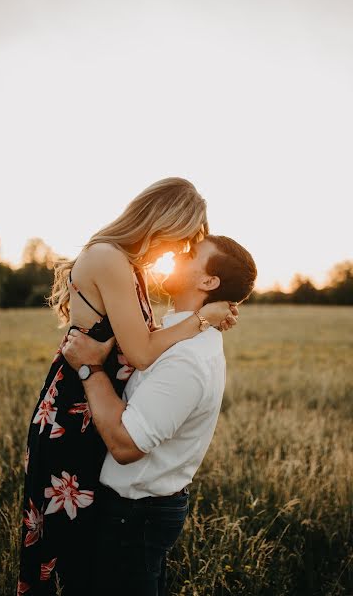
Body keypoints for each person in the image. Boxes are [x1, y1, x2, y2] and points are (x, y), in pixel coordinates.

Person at [17, 178, 238, 595]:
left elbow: (141, 347)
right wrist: (202, 319)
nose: (177, 252)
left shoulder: (127, 266)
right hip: (75, 416)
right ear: (163, 220)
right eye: (181, 240)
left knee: (86, 567)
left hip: (93, 413)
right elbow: (139, 353)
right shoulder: (108, 258)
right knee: (67, 561)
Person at [62, 234, 257, 596]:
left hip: (134, 516)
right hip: (136, 511)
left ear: (208, 281)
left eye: (192, 253)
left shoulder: (186, 359)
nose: (180, 253)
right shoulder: (177, 333)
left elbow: (125, 445)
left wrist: (90, 368)